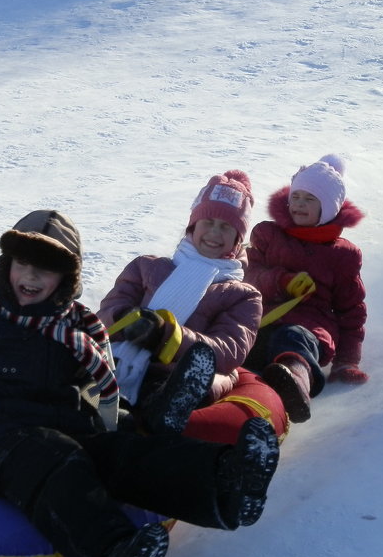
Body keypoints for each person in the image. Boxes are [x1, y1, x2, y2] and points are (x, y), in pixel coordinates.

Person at [0, 209, 280, 557]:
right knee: (55, 458)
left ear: (66, 280)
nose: (30, 278)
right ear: (7, 264)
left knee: (118, 454)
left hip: (60, 427)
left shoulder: (76, 328)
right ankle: (112, 556)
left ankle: (225, 484)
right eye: (22, 264)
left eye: (47, 270)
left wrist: (121, 422)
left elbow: (97, 391)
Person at [96, 170, 262, 431]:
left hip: (177, 372)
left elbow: (230, 349)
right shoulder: (146, 267)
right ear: (193, 225)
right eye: (208, 222)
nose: (215, 233)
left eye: (226, 227)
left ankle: (158, 417)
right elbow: (105, 312)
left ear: (238, 239)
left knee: (191, 382)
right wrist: (126, 318)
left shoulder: (242, 295)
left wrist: (169, 336)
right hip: (121, 356)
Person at [243, 155, 368, 424]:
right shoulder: (268, 235)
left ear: (329, 208)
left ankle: (295, 382)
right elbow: (248, 275)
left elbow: (351, 310)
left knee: (292, 337)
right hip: (262, 321)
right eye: (296, 196)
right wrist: (281, 281)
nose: (299, 203)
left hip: (310, 331)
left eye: (310, 199)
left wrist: (347, 360)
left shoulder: (343, 255)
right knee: (241, 344)